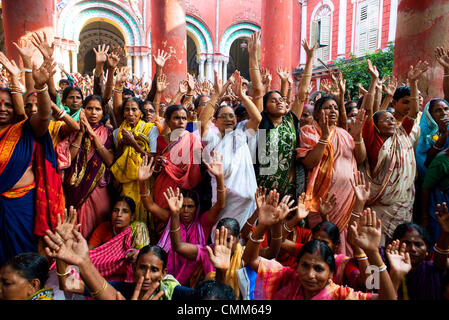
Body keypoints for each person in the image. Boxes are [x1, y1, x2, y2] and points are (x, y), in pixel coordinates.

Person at [243, 207, 398, 300]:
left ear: (331, 273)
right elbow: (250, 258)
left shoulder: (340, 293)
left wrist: (371, 253)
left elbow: (373, 288)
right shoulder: (288, 277)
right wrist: (263, 226)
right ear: (297, 265)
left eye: (318, 269)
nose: (310, 275)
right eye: (304, 266)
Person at [0, 58, 65, 265]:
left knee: (22, 261)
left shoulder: (24, 130)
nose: (3, 108)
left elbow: (45, 115)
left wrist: (41, 87)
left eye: (8, 104)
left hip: (20, 206)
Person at [362, 60, 428, 245]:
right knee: (378, 248)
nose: (391, 122)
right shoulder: (373, 140)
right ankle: (375, 275)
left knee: (401, 246)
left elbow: (414, 113)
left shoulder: (402, 133)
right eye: (385, 119)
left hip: (403, 204)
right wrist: (374, 81)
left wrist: (413, 83)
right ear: (376, 125)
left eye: (392, 119)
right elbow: (368, 112)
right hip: (379, 206)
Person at [297, 94, 367, 255]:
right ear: (317, 113)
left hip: (347, 198)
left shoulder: (344, 133)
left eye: (335, 107)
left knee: (347, 242)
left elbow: (360, 158)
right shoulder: (310, 130)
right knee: (323, 241)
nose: (333, 110)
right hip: (322, 198)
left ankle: (343, 274)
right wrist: (323, 137)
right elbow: (309, 162)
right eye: (328, 107)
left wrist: (358, 136)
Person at [200, 70, 260, 235]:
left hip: (246, 201)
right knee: (222, 235)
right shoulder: (212, 136)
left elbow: (257, 119)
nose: (228, 119)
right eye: (224, 116)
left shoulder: (240, 133)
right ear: (215, 121)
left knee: (241, 239)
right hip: (224, 200)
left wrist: (242, 95)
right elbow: (203, 122)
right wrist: (217, 94)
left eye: (232, 116)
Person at [58, 95, 114, 239]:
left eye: (98, 109)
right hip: (75, 186)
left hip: (98, 187)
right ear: (83, 110)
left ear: (103, 112)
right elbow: (68, 159)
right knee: (76, 228)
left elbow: (109, 161)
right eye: (89, 108)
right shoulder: (73, 128)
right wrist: (81, 134)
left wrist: (92, 134)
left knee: (98, 226)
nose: (93, 113)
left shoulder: (107, 133)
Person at [156, 184, 225, 287]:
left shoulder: (203, 223)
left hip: (195, 279)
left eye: (190, 206)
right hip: (170, 277)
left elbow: (220, 205)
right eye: (183, 206)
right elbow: (150, 205)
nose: (186, 210)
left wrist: (219, 178)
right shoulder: (173, 219)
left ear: (197, 208)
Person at [110, 96, 159, 224]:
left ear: (141, 113)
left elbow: (152, 159)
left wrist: (133, 144)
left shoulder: (151, 129)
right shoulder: (117, 133)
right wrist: (121, 144)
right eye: (127, 110)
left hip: (145, 179)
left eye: (134, 109)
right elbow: (117, 158)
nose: (130, 113)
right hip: (125, 181)